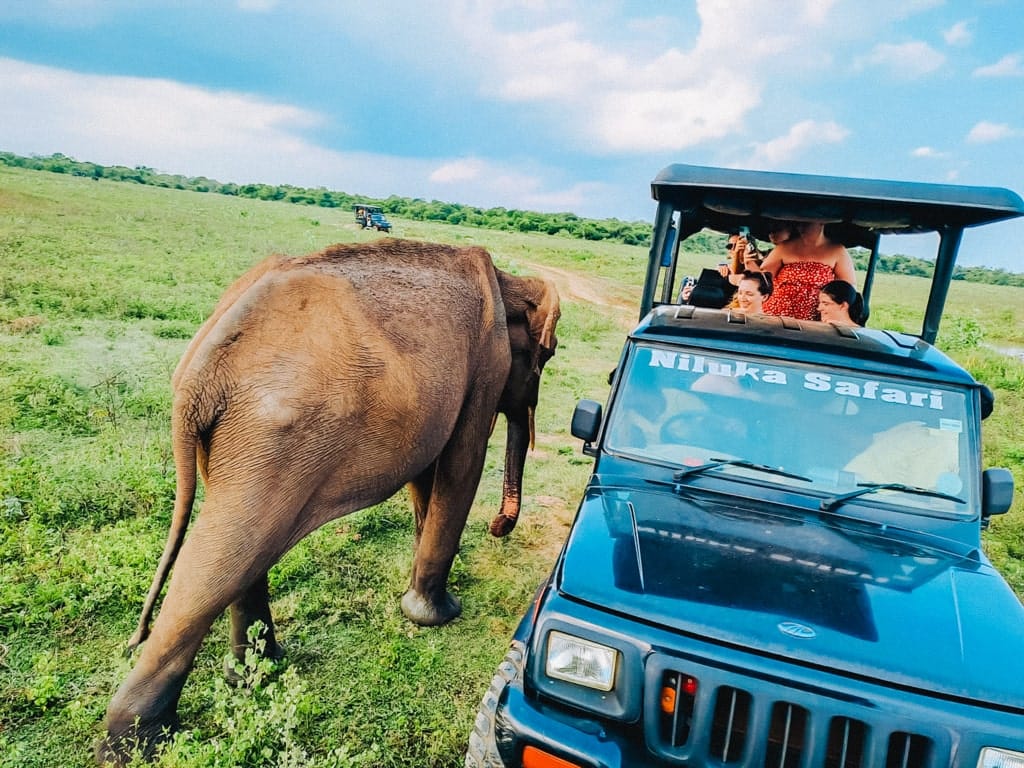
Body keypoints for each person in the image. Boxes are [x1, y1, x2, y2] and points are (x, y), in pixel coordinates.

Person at [759, 221, 855, 320]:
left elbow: (847, 288)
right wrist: (750, 262)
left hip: (817, 316)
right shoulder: (783, 247)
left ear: (822, 222)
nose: (801, 225)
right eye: (799, 222)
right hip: (777, 314)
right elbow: (762, 279)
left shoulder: (837, 250)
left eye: (807, 222)